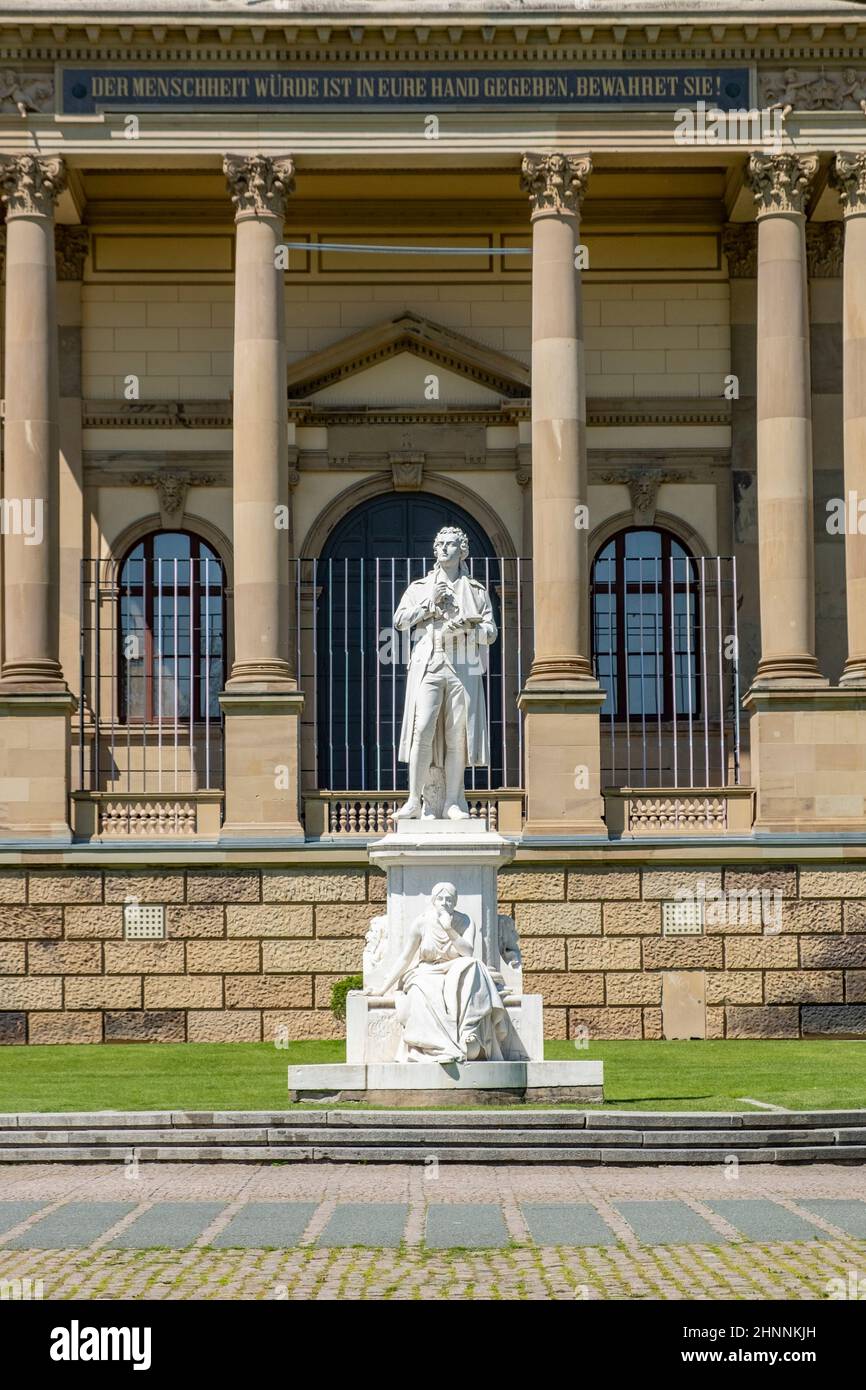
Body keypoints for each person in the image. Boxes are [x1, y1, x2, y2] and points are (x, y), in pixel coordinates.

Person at [393, 526, 496, 820]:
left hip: (463, 666)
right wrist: (429, 605)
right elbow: (400, 620)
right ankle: (415, 800)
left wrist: (470, 628)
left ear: (462, 551)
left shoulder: (476, 591)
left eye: (451, 545)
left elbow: (491, 632)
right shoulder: (420, 587)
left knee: (457, 735)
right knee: (422, 729)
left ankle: (452, 801)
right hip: (429, 663)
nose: (444, 549)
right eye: (440, 544)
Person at [375, 883, 511, 1063]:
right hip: (427, 971)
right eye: (440, 898)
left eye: (449, 899)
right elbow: (405, 958)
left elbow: (468, 952)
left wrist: (449, 928)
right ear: (433, 900)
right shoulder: (422, 923)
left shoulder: (465, 921)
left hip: (456, 966)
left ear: (455, 902)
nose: (444, 903)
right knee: (423, 987)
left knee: (474, 965)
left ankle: (468, 1032)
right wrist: (382, 989)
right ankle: (439, 1047)